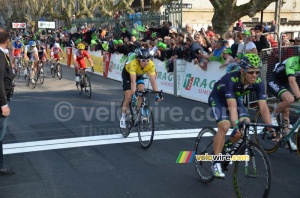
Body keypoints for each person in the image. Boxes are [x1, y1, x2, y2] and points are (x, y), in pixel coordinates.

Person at [208, 54, 273, 178]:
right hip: (218, 99)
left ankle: (226, 146)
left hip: (235, 99)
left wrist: (271, 129)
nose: (254, 75)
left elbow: (263, 107)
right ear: (242, 71)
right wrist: (235, 125)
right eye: (251, 72)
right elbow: (232, 106)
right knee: (225, 126)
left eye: (257, 72)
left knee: (245, 125)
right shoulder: (230, 79)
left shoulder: (258, 82)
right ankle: (215, 162)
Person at [120, 48, 162, 128]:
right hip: (128, 75)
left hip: (139, 75)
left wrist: (157, 94)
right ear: (139, 60)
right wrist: (134, 95)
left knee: (142, 92)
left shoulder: (151, 64)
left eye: (147, 60)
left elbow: (153, 81)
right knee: (128, 97)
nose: (146, 63)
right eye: (143, 60)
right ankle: (123, 117)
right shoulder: (133, 63)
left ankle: (137, 111)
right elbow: (133, 81)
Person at [267, 53, 300, 151]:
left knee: (286, 112)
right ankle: (273, 115)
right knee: (290, 99)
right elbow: (292, 81)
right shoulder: (292, 61)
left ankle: (288, 140)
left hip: (284, 84)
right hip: (275, 81)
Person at [0, 28, 15, 175]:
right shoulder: (0, 56)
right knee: (0, 135)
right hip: (2, 100)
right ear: (7, 40)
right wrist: (3, 104)